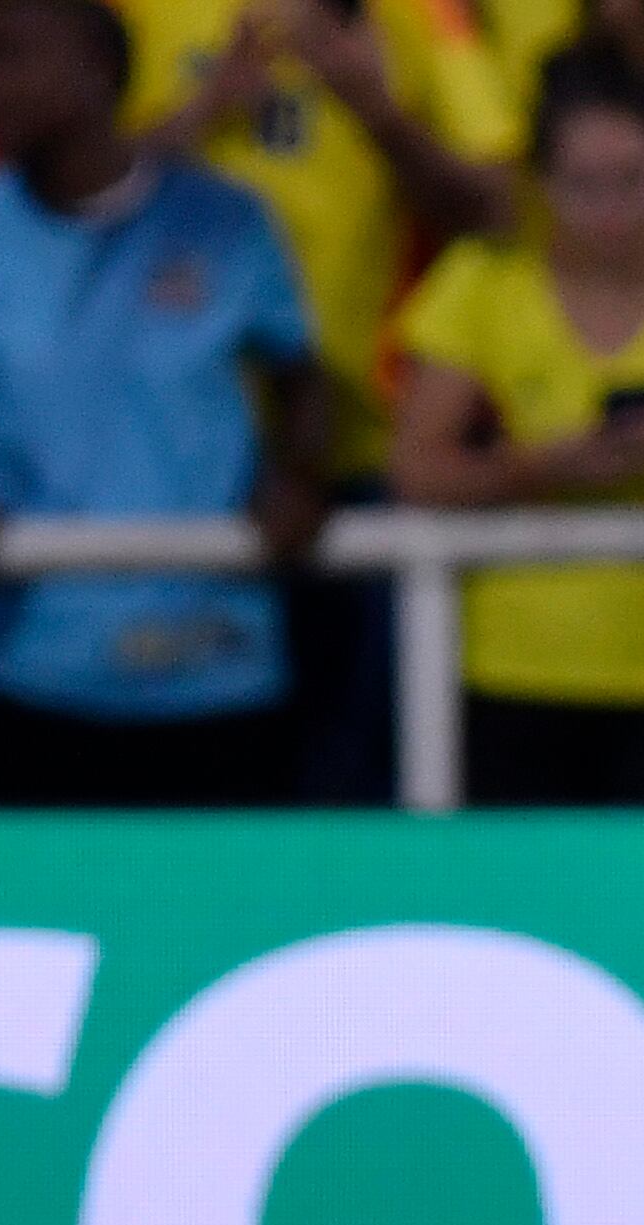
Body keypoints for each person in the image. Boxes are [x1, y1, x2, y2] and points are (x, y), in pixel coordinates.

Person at [0, 0, 329, 806]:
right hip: (31, 668)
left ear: (96, 73)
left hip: (216, 665)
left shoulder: (226, 221)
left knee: (224, 922)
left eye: (15, 58)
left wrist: (297, 478)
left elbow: (302, 383)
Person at [121, 0, 523, 800]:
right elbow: (59, 175)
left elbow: (498, 208)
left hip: (359, 451)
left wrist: (374, 106)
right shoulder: (143, 12)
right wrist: (205, 110)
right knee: (179, 762)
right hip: (164, 457)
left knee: (351, 768)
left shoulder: (422, 19)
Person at [392, 50, 644, 804]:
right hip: (507, 671)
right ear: (540, 184)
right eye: (582, 186)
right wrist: (548, 465)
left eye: (632, 181)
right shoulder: (481, 286)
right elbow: (416, 468)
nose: (610, 210)